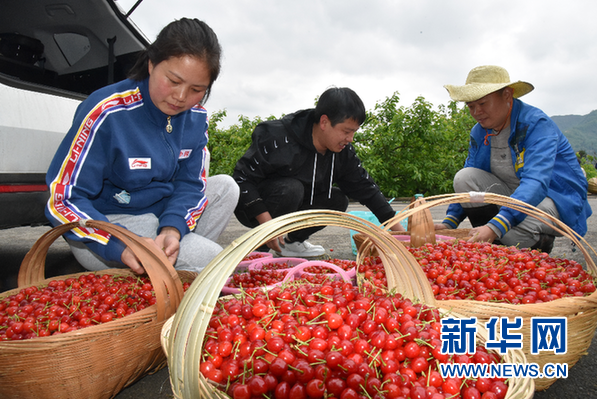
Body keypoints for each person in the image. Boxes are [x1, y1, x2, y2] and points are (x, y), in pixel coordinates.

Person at [45, 18, 239, 274]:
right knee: (217, 265)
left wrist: (172, 228)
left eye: (196, 89)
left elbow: (191, 184)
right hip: (110, 223)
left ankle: (169, 263)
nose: (180, 97)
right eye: (173, 81)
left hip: (159, 216)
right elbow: (63, 199)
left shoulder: (196, 118)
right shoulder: (107, 112)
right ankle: (155, 269)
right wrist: (120, 245)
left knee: (226, 187)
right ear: (151, 64)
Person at [435, 65, 592, 253]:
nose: (476, 112)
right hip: (511, 196)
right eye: (471, 106)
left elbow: (536, 182)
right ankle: (496, 244)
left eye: (483, 103)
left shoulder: (536, 125)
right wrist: (450, 222)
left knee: (505, 228)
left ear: (507, 96)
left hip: (553, 198)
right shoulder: (479, 132)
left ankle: (538, 242)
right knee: (464, 177)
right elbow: (470, 174)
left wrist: (496, 225)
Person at [233, 87, 404, 257]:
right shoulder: (278, 137)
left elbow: (367, 189)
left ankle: (293, 243)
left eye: (354, 132)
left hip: (296, 206)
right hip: (258, 208)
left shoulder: (342, 153)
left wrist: (401, 236)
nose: (350, 139)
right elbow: (242, 178)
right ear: (324, 122)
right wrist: (266, 225)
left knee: (337, 200)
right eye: (346, 131)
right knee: (292, 189)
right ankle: (257, 249)